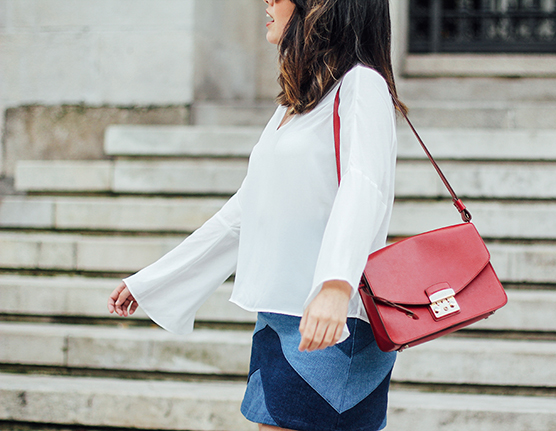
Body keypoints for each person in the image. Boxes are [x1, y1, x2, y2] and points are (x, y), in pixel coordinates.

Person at [107, 0, 408, 430]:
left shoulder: (362, 86)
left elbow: (364, 188)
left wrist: (335, 286)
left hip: (333, 322)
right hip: (280, 316)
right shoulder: (296, 105)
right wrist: (155, 280)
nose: (267, 1)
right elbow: (244, 212)